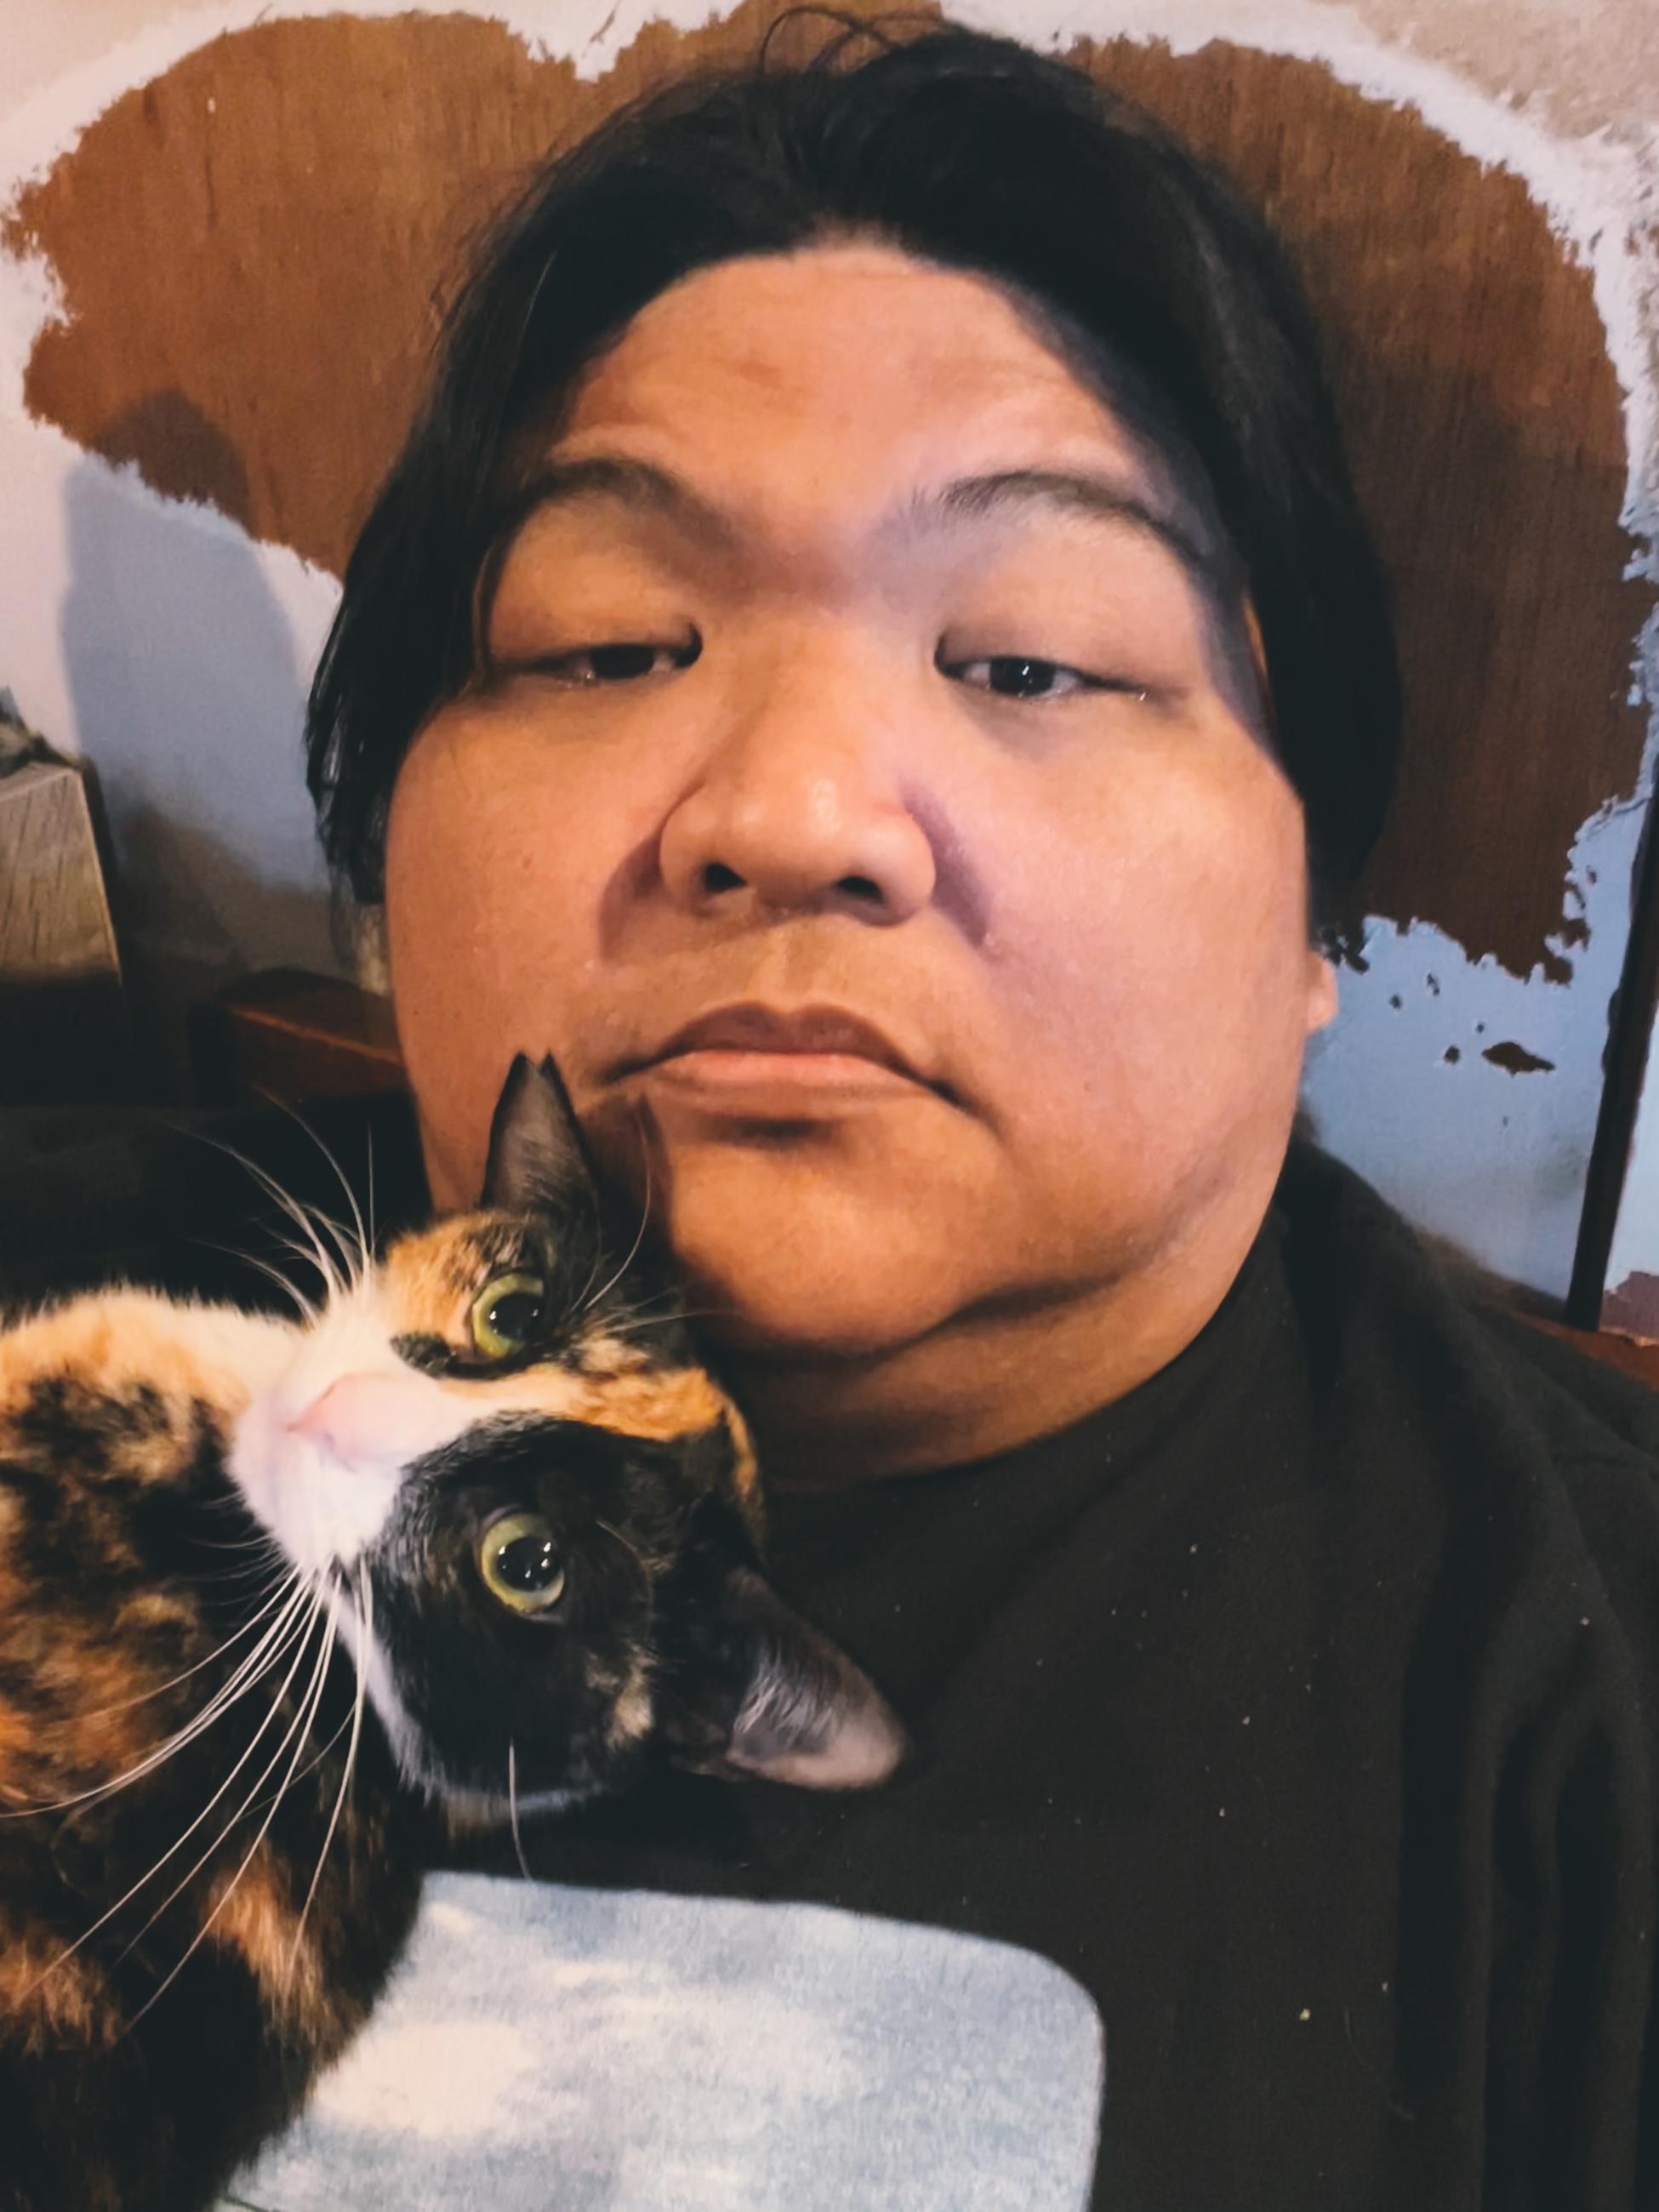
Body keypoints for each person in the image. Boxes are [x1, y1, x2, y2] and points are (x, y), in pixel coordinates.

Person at [7, 20, 1656, 2209]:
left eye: (1036, 657)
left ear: (1312, 932)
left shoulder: (1581, 1712)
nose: (791, 816)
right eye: (606, 644)